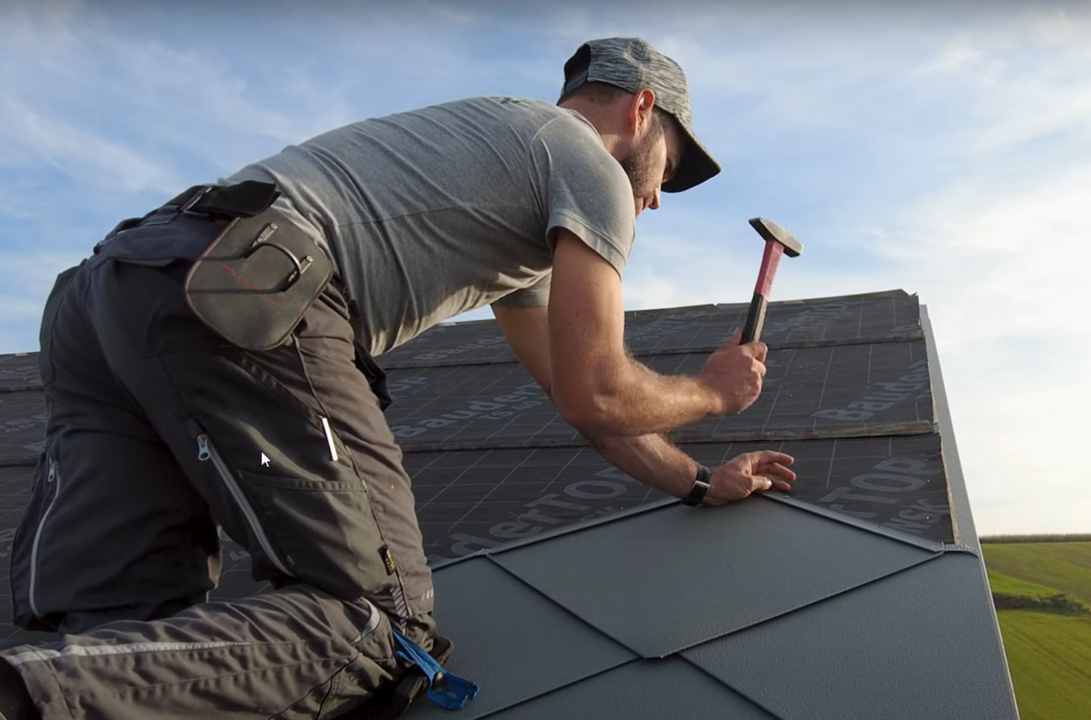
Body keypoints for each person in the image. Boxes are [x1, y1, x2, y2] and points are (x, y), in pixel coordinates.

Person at [0, 37, 796, 720]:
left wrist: (697, 483)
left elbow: (578, 405)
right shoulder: (590, 164)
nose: (657, 198)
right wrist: (714, 391)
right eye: (671, 166)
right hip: (250, 288)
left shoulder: (502, 152)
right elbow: (601, 388)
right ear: (640, 111)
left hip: (116, 286)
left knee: (119, 623)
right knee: (380, 625)